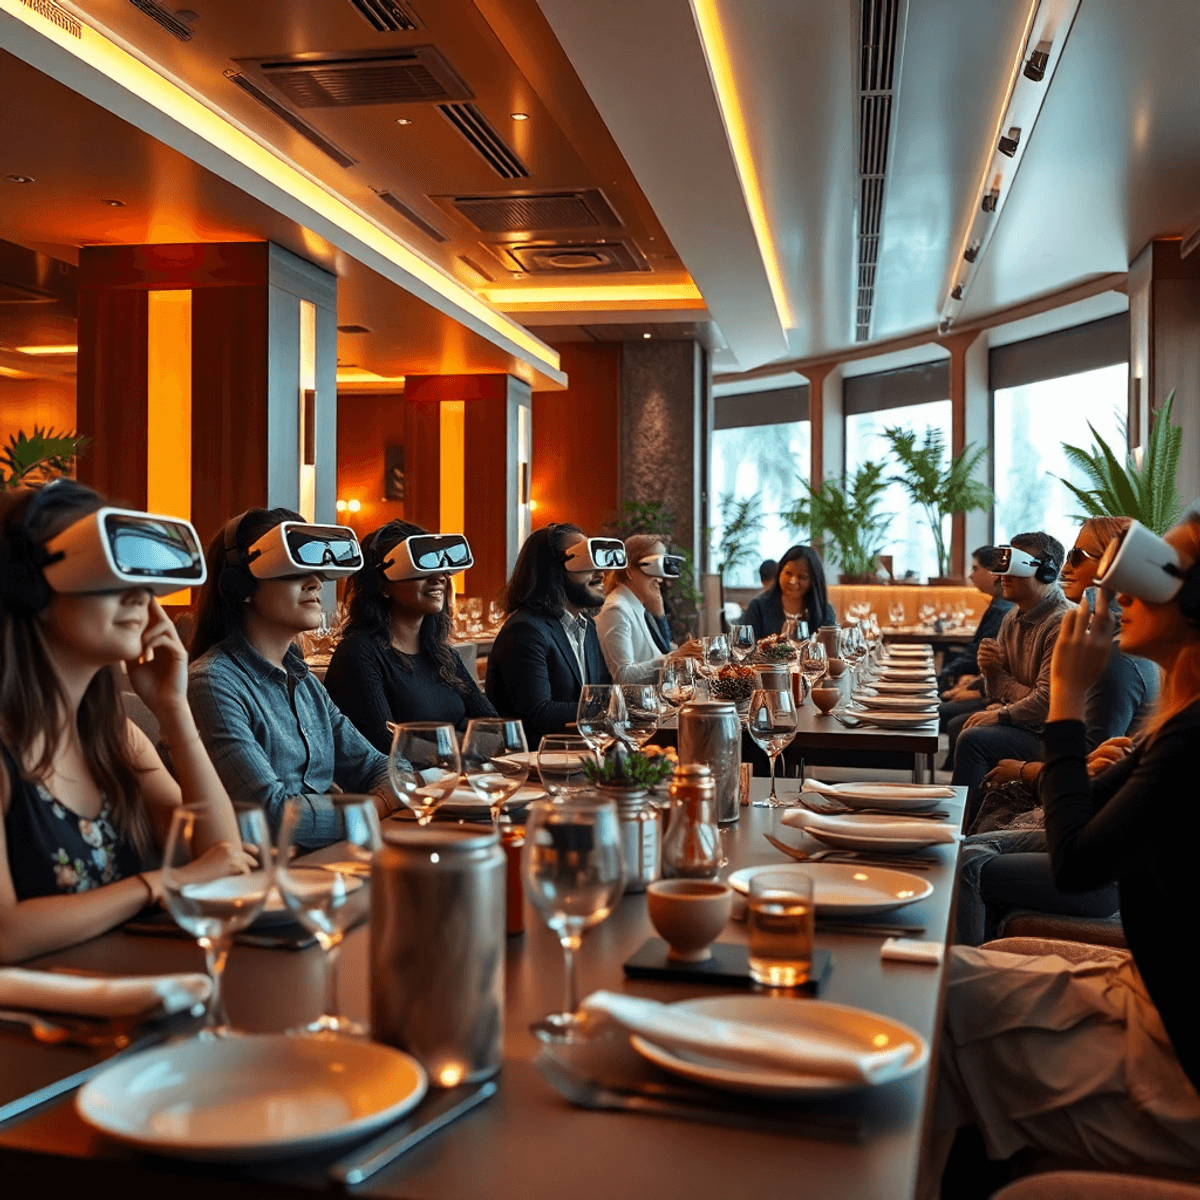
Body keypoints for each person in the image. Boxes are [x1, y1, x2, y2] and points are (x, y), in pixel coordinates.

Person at [923, 515, 1200, 1195]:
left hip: (1172, 1063)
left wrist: (1068, 698)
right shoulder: (1178, 723)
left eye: (1160, 569)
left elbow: (1075, 861)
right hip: (1146, 999)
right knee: (933, 984)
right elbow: (1081, 791)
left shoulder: (1192, 738)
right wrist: (1070, 759)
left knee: (929, 1014)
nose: (1123, 590)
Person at [0, 481, 249, 963]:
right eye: (113, 576)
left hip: (133, 999)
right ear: (31, 590)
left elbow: (221, 857)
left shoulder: (117, 738)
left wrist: (174, 709)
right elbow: (5, 934)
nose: (142, 597)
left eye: (146, 582)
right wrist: (163, 883)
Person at [953, 517, 1159, 944]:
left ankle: (957, 979)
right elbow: (1098, 765)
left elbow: (1090, 787)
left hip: (1104, 865)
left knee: (966, 860)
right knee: (965, 850)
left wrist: (1025, 769)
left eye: (1080, 557)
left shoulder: (1119, 658)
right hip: (1094, 831)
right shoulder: (1097, 642)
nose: (1066, 565)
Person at [187, 509, 392, 848]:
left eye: (316, 570)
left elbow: (377, 767)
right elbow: (275, 818)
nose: (316, 582)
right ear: (242, 586)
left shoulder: (305, 682)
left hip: (328, 862)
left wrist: (349, 810)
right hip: (264, 880)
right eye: (292, 569)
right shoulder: (213, 683)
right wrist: (376, 806)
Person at [324, 521, 497, 753]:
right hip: (410, 787)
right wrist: (463, 737)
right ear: (384, 586)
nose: (439, 577)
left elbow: (495, 730)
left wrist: (435, 744)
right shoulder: (359, 654)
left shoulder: (443, 655)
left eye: (440, 567)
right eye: (421, 566)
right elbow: (388, 747)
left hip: (460, 784)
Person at [947, 532, 1070, 815]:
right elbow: (996, 691)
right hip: (1025, 725)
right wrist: (990, 674)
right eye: (1001, 564)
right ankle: (973, 816)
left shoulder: (1062, 623)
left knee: (973, 738)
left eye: (1014, 565)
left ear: (1047, 571)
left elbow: (1046, 703)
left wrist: (1000, 705)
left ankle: (961, 831)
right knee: (963, 724)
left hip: (1051, 735)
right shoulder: (1011, 617)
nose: (1002, 574)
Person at [486, 524, 615, 747]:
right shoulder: (525, 630)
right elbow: (539, 712)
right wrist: (612, 706)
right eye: (586, 561)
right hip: (537, 765)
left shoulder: (587, 626)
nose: (601, 574)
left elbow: (602, 691)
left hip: (583, 754)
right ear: (551, 569)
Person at [594, 533, 697, 684]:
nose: (660, 579)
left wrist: (660, 615)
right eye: (655, 567)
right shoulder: (616, 610)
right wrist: (673, 659)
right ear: (629, 570)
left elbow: (661, 651)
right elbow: (623, 676)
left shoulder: (637, 606)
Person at [937, 545, 1013, 694]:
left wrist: (943, 674)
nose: (971, 576)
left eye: (975, 569)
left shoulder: (1001, 609)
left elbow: (979, 654)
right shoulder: (1000, 604)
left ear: (994, 573)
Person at [742, 544, 836, 639]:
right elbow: (745, 650)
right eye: (788, 573)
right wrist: (779, 643)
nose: (793, 581)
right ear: (779, 572)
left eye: (802, 577)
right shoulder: (758, 608)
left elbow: (831, 650)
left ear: (813, 582)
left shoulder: (824, 610)